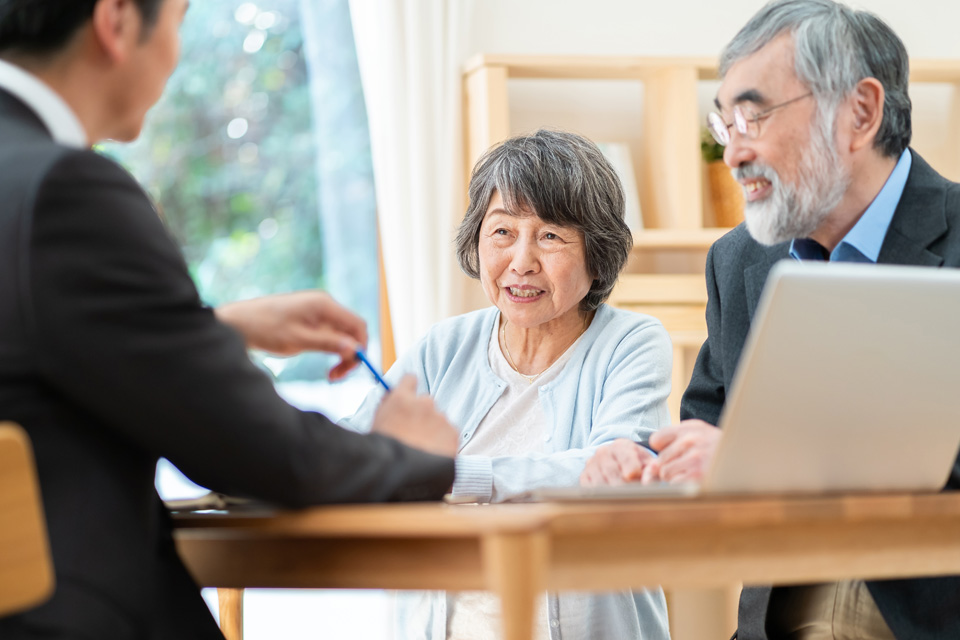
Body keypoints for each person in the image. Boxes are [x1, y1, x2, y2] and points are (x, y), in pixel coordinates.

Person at [0, 0, 460, 637]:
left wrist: (214, 326)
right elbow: (258, 450)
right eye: (181, 22)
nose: (177, 53)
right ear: (116, 22)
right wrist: (404, 452)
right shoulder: (64, 190)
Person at [581, 1, 960, 638]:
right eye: (723, 124)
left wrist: (759, 462)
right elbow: (710, 428)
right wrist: (640, 461)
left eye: (752, 117)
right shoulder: (737, 261)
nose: (732, 153)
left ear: (859, 113)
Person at [343, 129, 672, 640]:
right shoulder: (442, 346)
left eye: (550, 236)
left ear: (597, 250)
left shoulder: (632, 342)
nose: (521, 261)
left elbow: (613, 468)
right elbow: (354, 448)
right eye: (502, 232)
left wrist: (454, 476)